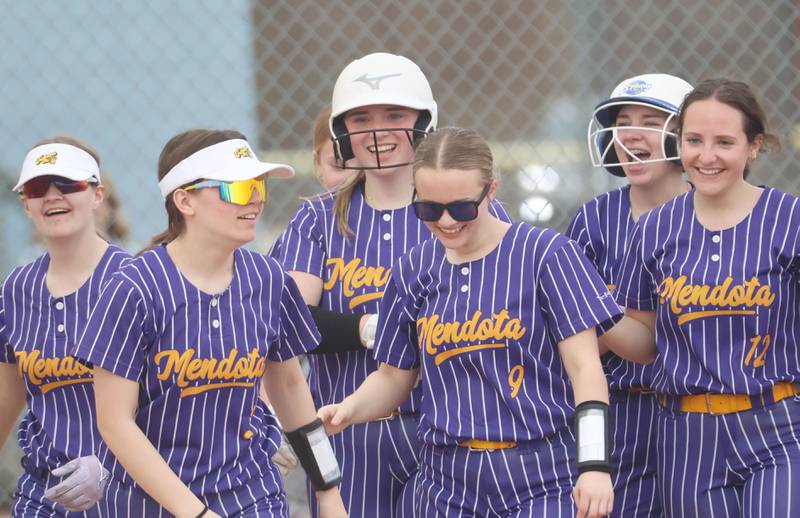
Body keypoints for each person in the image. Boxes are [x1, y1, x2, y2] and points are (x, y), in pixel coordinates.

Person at [319, 126, 621, 518]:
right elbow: (395, 376)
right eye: (428, 209)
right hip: (447, 480)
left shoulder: (545, 254)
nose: (445, 221)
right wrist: (350, 408)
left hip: (542, 471)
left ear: (491, 192)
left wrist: (594, 464)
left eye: (461, 208)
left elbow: (585, 369)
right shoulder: (414, 270)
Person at [274, 53, 510, 518]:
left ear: (424, 121)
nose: (378, 132)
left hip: (446, 429)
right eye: (361, 119)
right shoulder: (318, 217)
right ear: (341, 132)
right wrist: (369, 328)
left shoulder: (462, 209)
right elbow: (290, 320)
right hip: (348, 432)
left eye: (394, 116)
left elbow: (494, 309)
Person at [71, 129, 347, 517]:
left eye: (259, 186)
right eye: (237, 188)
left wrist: (329, 489)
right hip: (153, 502)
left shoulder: (268, 279)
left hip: (252, 495)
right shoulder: (134, 288)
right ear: (184, 200)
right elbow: (114, 422)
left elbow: (288, 386)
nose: (254, 198)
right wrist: (195, 512)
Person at [605, 79, 799, 517]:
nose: (706, 156)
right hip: (687, 434)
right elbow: (645, 341)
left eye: (724, 142)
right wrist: (596, 312)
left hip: (778, 424)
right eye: (694, 140)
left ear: (754, 146)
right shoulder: (655, 228)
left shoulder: (790, 219)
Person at [569, 73, 693, 517]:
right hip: (616, 407)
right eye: (623, 122)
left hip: (695, 409)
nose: (632, 133)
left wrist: (600, 309)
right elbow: (574, 337)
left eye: (651, 119)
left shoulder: (711, 215)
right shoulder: (595, 220)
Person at [0, 136, 129, 516]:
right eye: (38, 188)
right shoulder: (16, 290)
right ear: (26, 204)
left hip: (131, 494)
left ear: (97, 195)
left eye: (69, 184)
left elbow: (174, 405)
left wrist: (111, 466)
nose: (53, 196)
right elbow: (8, 398)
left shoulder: (136, 281)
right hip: (45, 496)